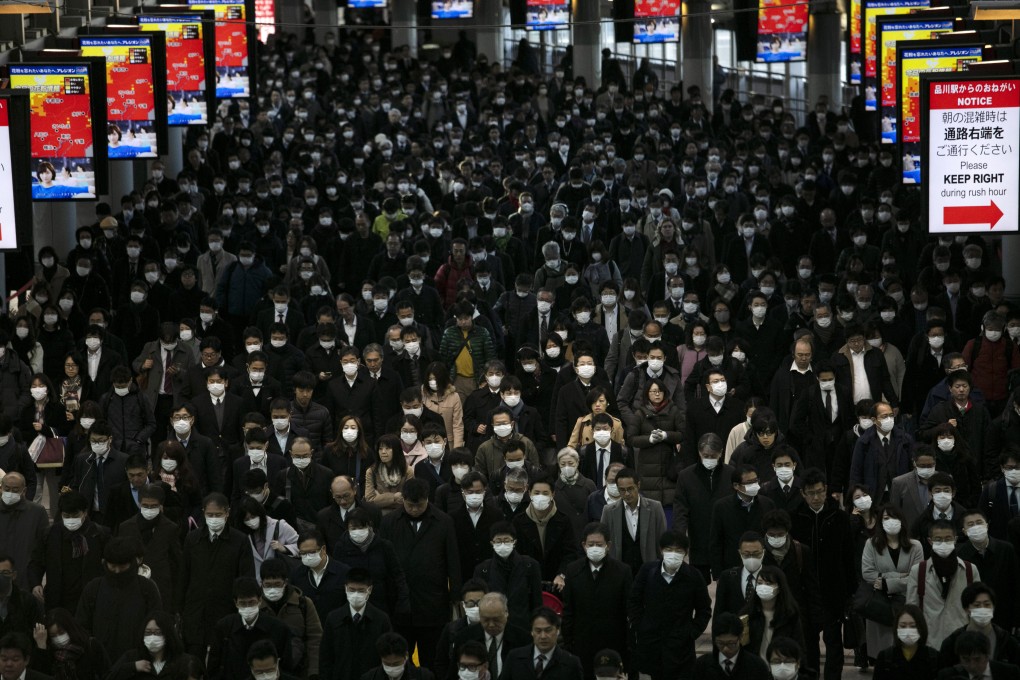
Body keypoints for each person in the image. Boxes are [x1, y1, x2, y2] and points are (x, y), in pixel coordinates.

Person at [378, 478, 461, 670]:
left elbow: (453, 562)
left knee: (432, 661)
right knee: (398, 660)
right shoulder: (389, 522)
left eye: (419, 505)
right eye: (410, 505)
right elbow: (382, 563)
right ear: (403, 500)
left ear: (427, 499)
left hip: (433, 605)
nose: (414, 509)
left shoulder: (443, 521)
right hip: (399, 606)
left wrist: (456, 596)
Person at [790, 467, 858, 680]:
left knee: (834, 644)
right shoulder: (795, 518)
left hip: (833, 592)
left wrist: (849, 592)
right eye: (811, 493)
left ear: (827, 490)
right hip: (806, 594)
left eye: (820, 491)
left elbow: (848, 556)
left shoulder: (839, 518)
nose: (817, 497)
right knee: (808, 645)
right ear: (803, 493)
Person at [178, 492, 256, 655]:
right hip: (196, 613)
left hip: (226, 611)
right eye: (210, 514)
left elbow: (246, 578)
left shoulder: (240, 540)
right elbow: (183, 577)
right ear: (203, 513)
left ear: (227, 513)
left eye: (218, 514)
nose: (214, 518)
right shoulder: (192, 539)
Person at [628, 530, 711, 678]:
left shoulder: (694, 576)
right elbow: (634, 600)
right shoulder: (648, 571)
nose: (673, 554)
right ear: (661, 550)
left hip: (681, 648)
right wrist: (641, 625)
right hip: (651, 644)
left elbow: (704, 609)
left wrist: (691, 632)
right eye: (668, 550)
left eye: (678, 551)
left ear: (685, 552)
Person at [560, 522, 633, 679]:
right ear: (583, 545)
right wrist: (568, 644)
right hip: (582, 646)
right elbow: (568, 611)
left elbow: (629, 611)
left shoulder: (622, 571)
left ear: (608, 545)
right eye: (590, 544)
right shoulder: (573, 571)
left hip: (614, 645)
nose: (594, 548)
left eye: (599, 544)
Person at [75, 537, 163, 661]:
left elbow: (157, 625)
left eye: (122, 567)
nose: (117, 571)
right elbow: (81, 626)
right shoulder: (94, 588)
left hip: (138, 662)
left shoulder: (147, 588)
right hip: (100, 662)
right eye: (112, 566)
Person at [30, 490, 111, 612]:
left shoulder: (99, 534)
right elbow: (36, 562)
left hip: (91, 598)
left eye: (75, 515)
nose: (71, 519)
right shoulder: (50, 534)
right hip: (58, 599)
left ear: (85, 513)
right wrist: (36, 583)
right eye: (67, 516)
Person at [905, 519, 981, 648]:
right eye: (938, 539)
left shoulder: (969, 570)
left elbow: (977, 608)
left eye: (948, 539)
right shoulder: (918, 571)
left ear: (955, 539)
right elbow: (912, 608)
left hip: (962, 642)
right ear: (930, 541)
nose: (943, 543)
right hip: (929, 642)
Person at [860, 503, 924, 655]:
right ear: (880, 522)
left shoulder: (915, 546)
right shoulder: (871, 544)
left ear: (901, 520)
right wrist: (901, 576)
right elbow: (868, 574)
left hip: (907, 602)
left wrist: (886, 582)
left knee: (906, 651)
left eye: (894, 517)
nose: (891, 521)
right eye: (886, 518)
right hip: (880, 604)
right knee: (883, 654)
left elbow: (917, 577)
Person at [206, 576, 295, 680]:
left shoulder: (278, 628)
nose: (247, 607)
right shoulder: (224, 627)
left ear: (260, 600)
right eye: (243, 603)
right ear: (236, 603)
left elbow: (286, 666)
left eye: (251, 602)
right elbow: (214, 666)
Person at [319, 568, 393, 680]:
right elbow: (326, 657)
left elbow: (387, 655)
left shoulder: (381, 619)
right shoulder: (333, 618)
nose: (356, 594)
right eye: (352, 590)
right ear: (345, 588)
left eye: (361, 590)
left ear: (370, 590)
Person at [116, 484, 182, 609]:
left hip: (161, 589)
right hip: (132, 588)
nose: (149, 509)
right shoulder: (126, 527)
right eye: (146, 506)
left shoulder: (170, 528)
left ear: (161, 506)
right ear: (139, 503)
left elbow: (176, 563)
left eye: (154, 506)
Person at [258, 558, 323, 679]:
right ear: (261, 583)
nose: (272, 589)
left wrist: (314, 672)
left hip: (299, 671)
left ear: (285, 582)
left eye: (277, 584)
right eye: (268, 585)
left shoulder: (303, 604)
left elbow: (315, 639)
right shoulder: (255, 607)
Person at [956, 510, 1019, 631]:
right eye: (970, 524)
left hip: (1004, 616)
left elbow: (1016, 584)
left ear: (987, 525)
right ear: (964, 531)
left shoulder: (1006, 549)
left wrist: (1017, 619)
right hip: (973, 616)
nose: (976, 527)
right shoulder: (959, 554)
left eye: (979, 522)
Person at [472, 522, 541, 630]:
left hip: (523, 627)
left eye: (506, 540)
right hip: (494, 627)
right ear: (492, 543)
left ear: (514, 542)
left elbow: (537, 602)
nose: (503, 544)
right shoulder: (482, 570)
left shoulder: (530, 565)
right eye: (498, 541)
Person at [709, 465, 776, 575]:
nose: (754, 485)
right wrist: (718, 573)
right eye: (749, 482)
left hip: (762, 566)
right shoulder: (721, 507)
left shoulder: (767, 504)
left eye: (756, 481)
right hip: (732, 566)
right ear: (736, 485)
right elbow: (716, 542)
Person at [598, 467, 666, 575]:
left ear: (638, 485)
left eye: (630, 489)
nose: (627, 494)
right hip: (619, 572)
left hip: (649, 571)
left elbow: (662, 540)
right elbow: (603, 542)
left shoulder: (655, 508)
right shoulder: (608, 511)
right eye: (622, 490)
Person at [937, 582, 1020, 668]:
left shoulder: (1009, 644)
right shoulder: (951, 644)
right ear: (967, 609)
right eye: (977, 605)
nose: (983, 609)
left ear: (993, 608)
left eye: (987, 604)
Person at [500, 607, 583, 680]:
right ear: (532, 632)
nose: (543, 636)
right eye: (538, 631)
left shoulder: (571, 664)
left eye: (548, 630)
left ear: (558, 630)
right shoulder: (514, 658)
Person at [103, 610, 189, 680]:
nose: (152, 637)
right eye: (148, 632)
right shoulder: (131, 657)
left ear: (167, 635)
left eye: (157, 632)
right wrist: (133, 667)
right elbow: (109, 676)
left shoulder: (182, 661)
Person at [0, 473, 48, 591]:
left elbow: (43, 548)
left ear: (24, 490)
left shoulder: (37, 513)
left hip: (25, 579)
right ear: (1, 488)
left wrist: (36, 581)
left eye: (15, 490)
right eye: (7, 489)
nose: (10, 493)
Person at [30, 608, 108, 680]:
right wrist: (41, 646)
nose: (58, 638)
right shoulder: (50, 654)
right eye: (53, 636)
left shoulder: (91, 646)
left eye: (61, 632)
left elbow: (106, 673)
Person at [692, 611, 771, 678]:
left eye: (731, 643)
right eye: (720, 643)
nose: (725, 649)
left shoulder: (756, 666)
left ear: (740, 637)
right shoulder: (702, 665)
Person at [873, 604, 940, 680]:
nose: (908, 630)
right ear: (896, 628)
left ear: (921, 627)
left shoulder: (934, 658)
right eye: (903, 626)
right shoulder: (885, 658)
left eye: (913, 626)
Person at [935, 630, 1020, 680]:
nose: (972, 666)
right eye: (966, 660)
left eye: (977, 659)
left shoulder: (1010, 673)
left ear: (987, 656)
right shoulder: (947, 676)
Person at [362, 632, 433, 680]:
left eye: (396, 663)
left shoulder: (424, 677)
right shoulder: (369, 678)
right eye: (387, 664)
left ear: (406, 656)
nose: (391, 668)